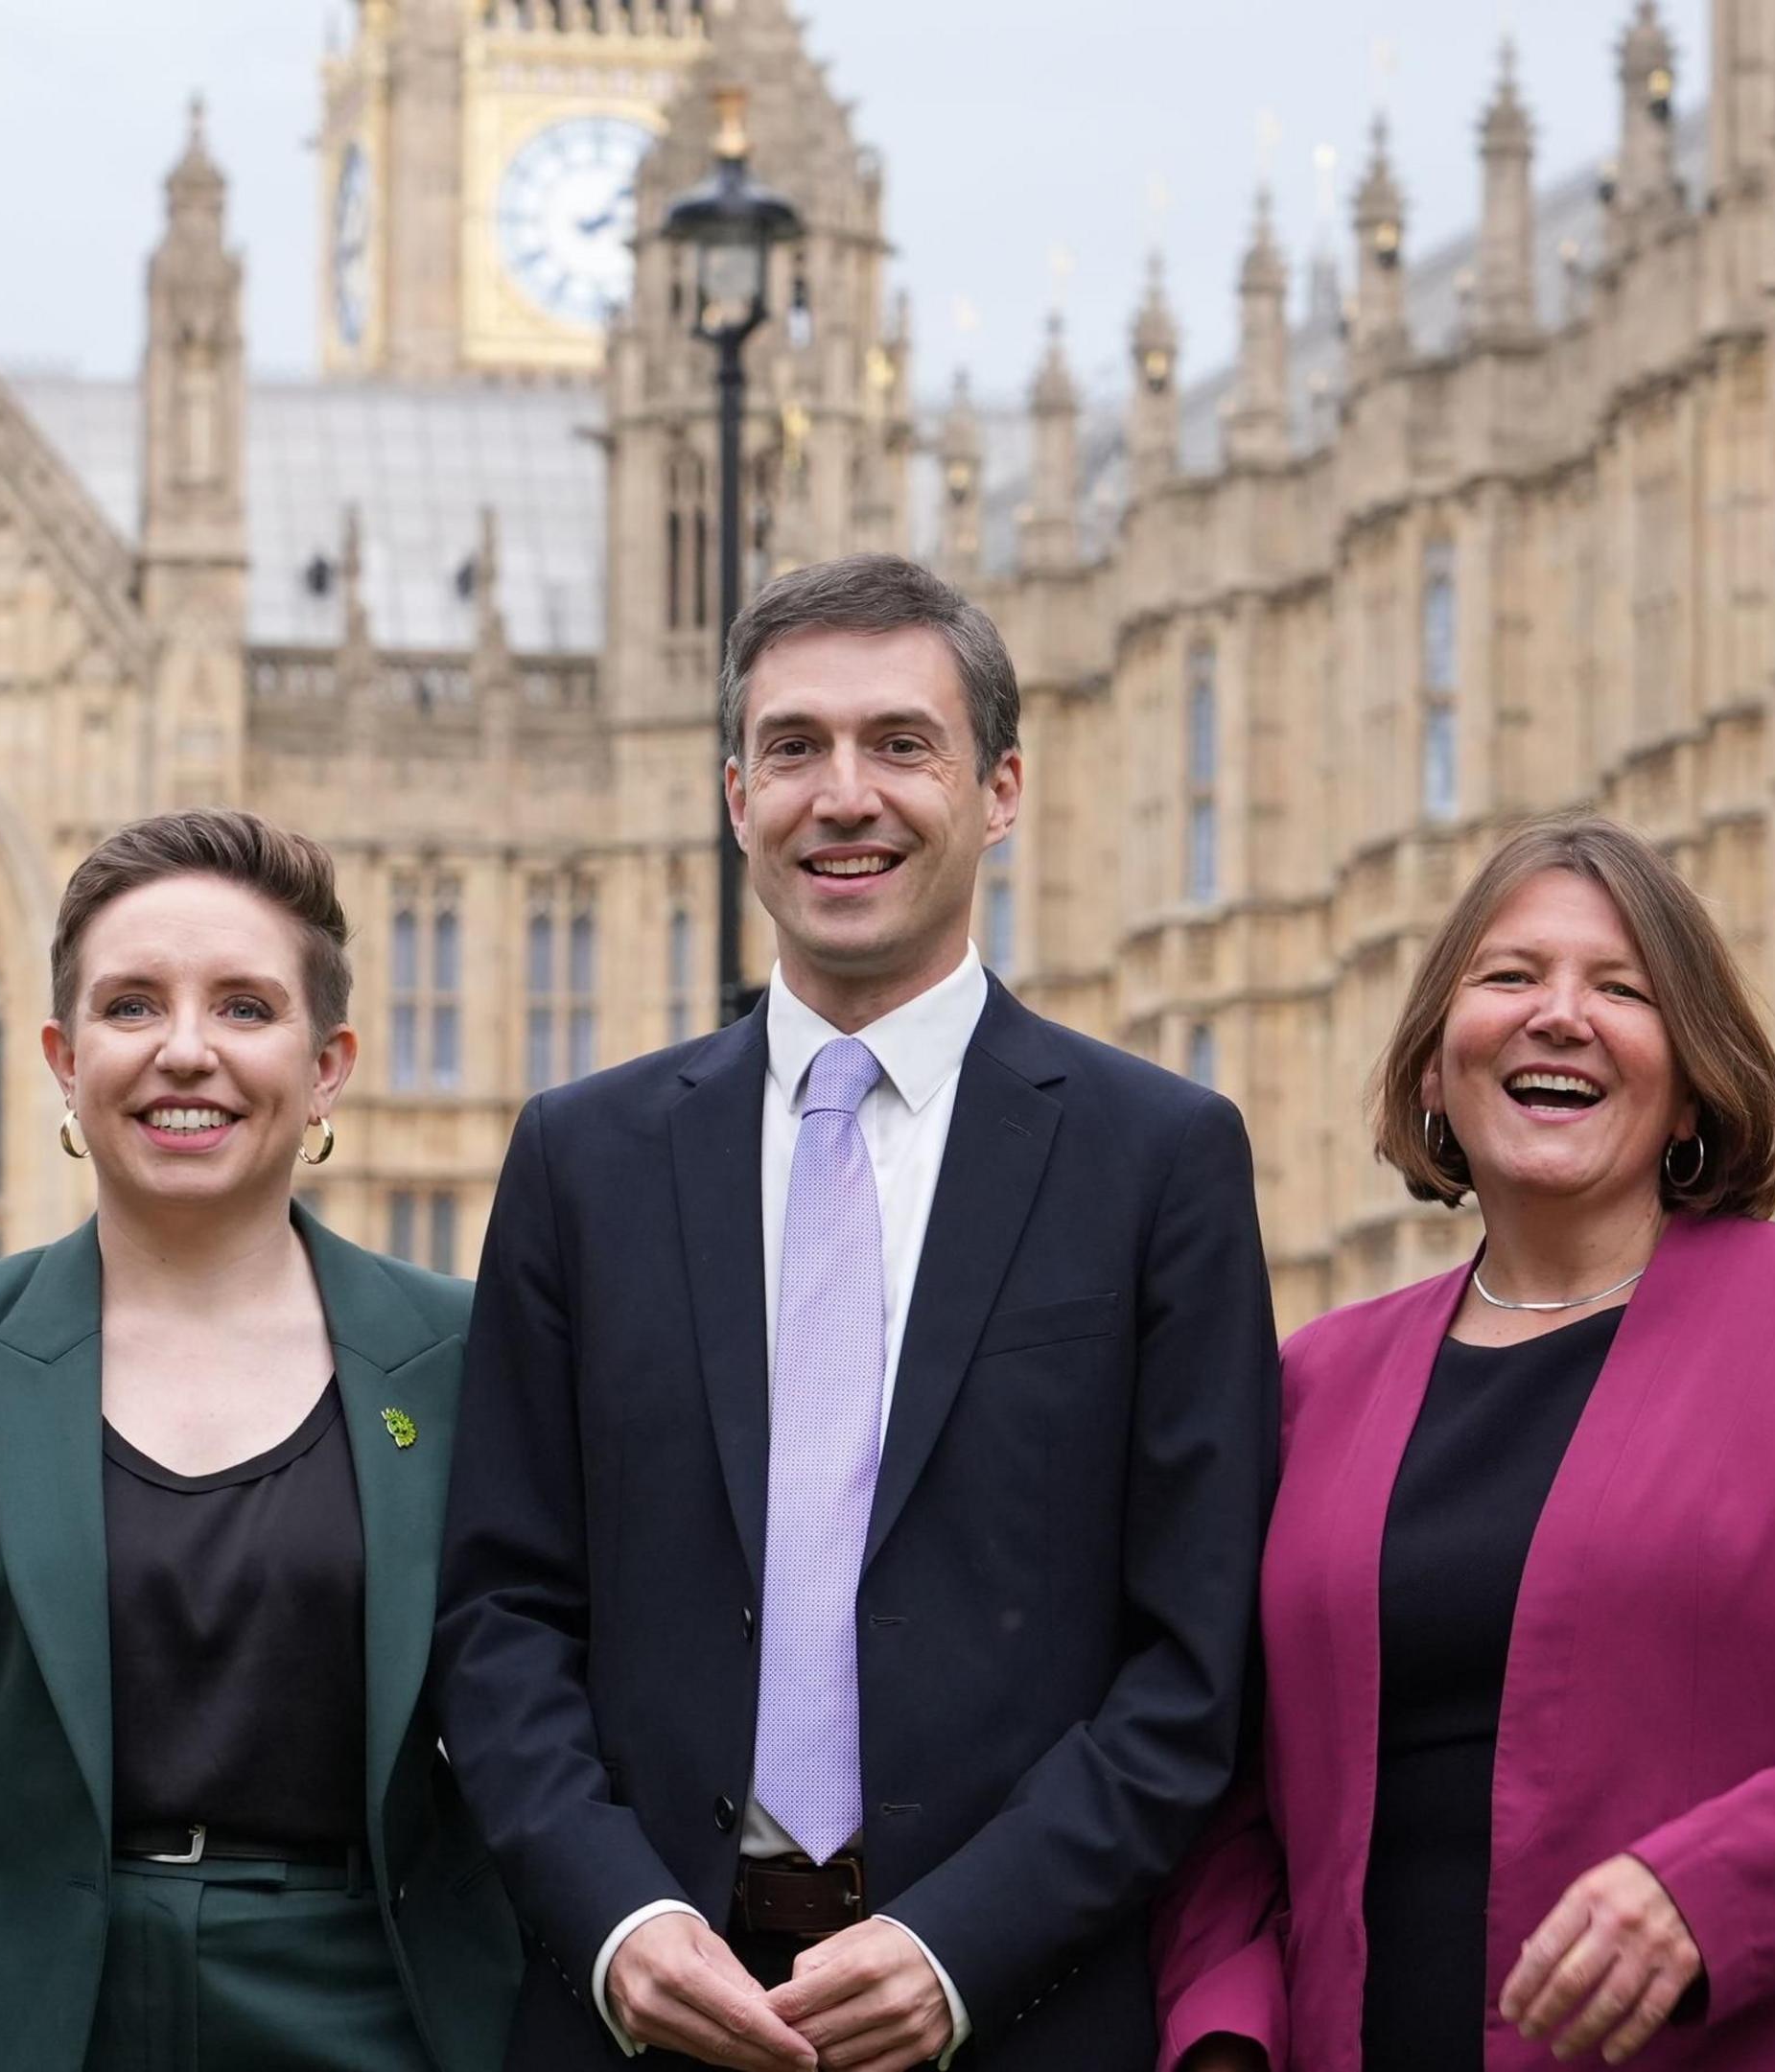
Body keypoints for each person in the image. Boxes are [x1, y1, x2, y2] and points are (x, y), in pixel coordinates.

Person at [437, 553, 1281, 2072]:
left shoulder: (1156, 1159)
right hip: (644, 2016)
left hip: (1011, 2014)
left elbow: (1193, 1660)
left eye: (902, 743)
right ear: (734, 794)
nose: (845, 795)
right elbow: (501, 1616)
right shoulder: (584, 1158)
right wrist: (621, 1919)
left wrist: (964, 1942)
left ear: (1001, 786)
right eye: (795, 748)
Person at [1155, 813, 1775, 2071]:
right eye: (1510, 975)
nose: (1558, 1014)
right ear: (1431, 1068)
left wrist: (1704, 1890)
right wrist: (1225, 2028)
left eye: (1620, 988)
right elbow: (1226, 1785)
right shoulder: (1315, 1381)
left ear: (1690, 1077)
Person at [0, 808, 516, 2072]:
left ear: (329, 1062)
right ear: (64, 1058)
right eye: (133, 1007)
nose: (186, 1051)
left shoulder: (462, 1357)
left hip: (376, 2020)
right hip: (30, 2023)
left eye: (245, 1007)